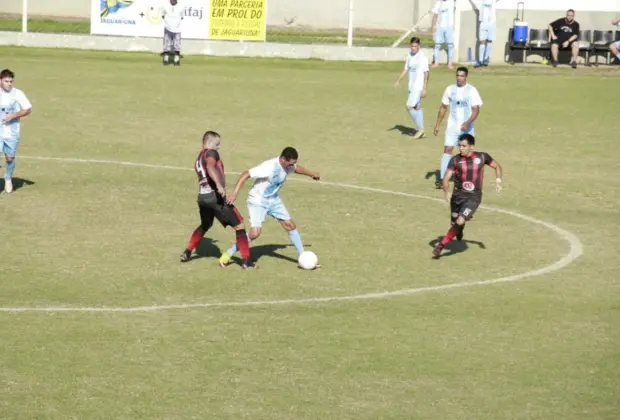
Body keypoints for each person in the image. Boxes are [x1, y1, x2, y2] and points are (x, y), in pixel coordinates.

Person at [219, 147, 320, 268]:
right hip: (258, 201)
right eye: (290, 163)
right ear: (283, 159)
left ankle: (303, 256)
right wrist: (234, 193)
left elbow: (297, 168)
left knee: (290, 225)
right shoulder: (269, 167)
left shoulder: (289, 165)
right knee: (255, 233)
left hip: (273, 200)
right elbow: (246, 174)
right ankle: (229, 252)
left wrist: (312, 174)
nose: (291, 166)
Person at [180, 131, 254, 268]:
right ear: (209, 142)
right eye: (217, 144)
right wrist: (219, 185)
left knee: (205, 225)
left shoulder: (198, 157)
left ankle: (187, 252)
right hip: (215, 197)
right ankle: (246, 261)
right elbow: (209, 166)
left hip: (202, 198)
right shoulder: (211, 153)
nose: (218, 147)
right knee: (240, 225)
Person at [432, 134, 503, 259]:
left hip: (474, 197)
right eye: (460, 145)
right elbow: (446, 178)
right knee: (454, 223)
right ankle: (459, 229)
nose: (460, 148)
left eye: (464, 146)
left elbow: (497, 166)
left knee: (459, 221)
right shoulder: (455, 160)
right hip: (457, 196)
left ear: (472, 146)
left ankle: (441, 246)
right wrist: (446, 191)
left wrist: (498, 181)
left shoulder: (482, 157)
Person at [433, 67, 483, 189]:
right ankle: (442, 178)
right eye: (457, 76)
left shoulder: (472, 90)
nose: (459, 78)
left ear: (466, 77)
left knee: (466, 152)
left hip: (467, 127)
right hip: (452, 126)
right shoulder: (449, 89)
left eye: (462, 76)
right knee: (448, 149)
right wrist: (437, 124)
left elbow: (476, 110)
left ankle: (468, 178)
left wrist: (468, 122)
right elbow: (443, 107)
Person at [0, 69, 32, 194]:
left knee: (10, 158)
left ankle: (8, 178)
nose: (9, 84)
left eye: (11, 81)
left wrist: (13, 115)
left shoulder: (17, 93)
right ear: (0, 81)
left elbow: (28, 109)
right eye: (6, 81)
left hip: (11, 132)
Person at [394, 37, 430, 139]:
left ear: (419, 46)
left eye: (415, 46)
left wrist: (425, 88)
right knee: (417, 108)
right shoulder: (409, 56)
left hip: (418, 87)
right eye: (412, 46)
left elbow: (427, 73)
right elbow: (406, 69)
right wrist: (398, 80)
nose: (413, 48)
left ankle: (420, 129)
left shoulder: (422, 58)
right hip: (411, 86)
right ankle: (421, 131)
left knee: (409, 107)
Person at [473, 0, 500, 67]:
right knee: (482, 41)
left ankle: (486, 59)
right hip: (483, 22)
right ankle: (480, 60)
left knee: (489, 41)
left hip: (492, 23)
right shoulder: (481, 1)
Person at [431, 0, 456, 69]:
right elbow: (435, 15)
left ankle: (450, 64)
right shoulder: (438, 2)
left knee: (450, 45)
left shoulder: (452, 2)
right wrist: (433, 26)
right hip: (440, 27)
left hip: (449, 27)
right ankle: (436, 63)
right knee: (437, 45)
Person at [161, 0, 184, 66]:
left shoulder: (181, 7)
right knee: (166, 43)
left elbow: (182, 17)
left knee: (177, 45)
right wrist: (168, 23)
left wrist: (175, 23)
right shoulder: (165, 6)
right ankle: (166, 59)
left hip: (177, 29)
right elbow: (163, 15)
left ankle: (176, 60)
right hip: (168, 28)